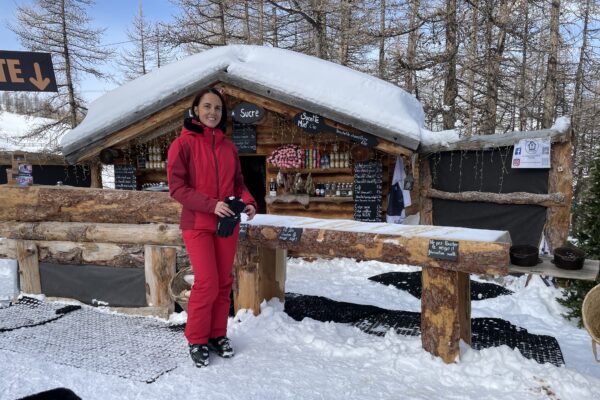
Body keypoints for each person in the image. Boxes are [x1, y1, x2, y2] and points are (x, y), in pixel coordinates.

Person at [167, 87, 257, 368]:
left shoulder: (228, 147)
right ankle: (196, 339)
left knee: (223, 282)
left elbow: (238, 183)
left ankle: (217, 334)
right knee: (206, 282)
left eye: (217, 108)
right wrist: (210, 205)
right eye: (207, 107)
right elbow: (177, 188)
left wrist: (249, 202)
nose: (212, 112)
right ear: (196, 110)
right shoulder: (182, 145)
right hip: (197, 224)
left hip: (226, 224)